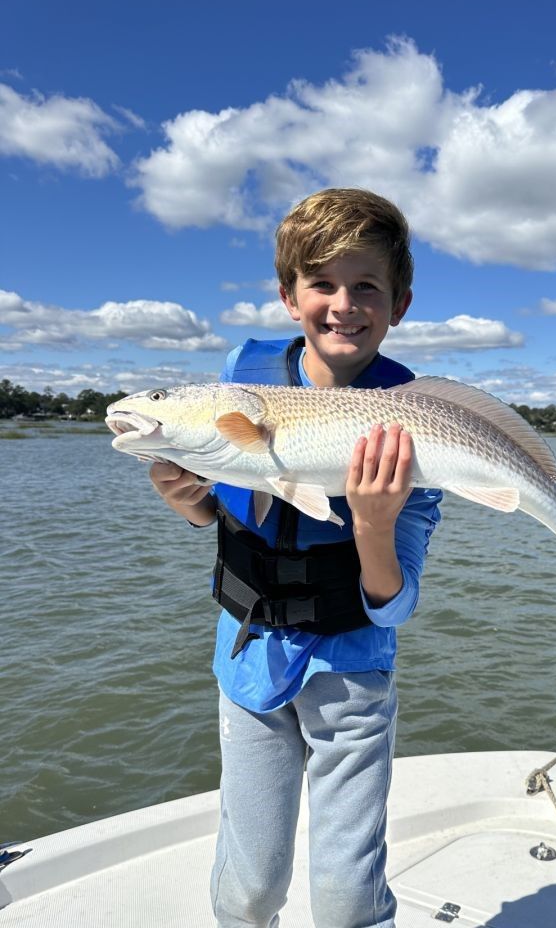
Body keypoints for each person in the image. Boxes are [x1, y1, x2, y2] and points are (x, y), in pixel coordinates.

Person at [149, 187, 442, 928]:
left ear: (398, 303)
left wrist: (374, 525)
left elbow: (396, 601)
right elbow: (233, 509)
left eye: (366, 285)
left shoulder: (416, 428)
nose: (344, 304)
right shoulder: (242, 382)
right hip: (246, 656)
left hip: (352, 669)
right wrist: (193, 503)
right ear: (289, 297)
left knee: (346, 900)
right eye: (323, 284)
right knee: (248, 886)